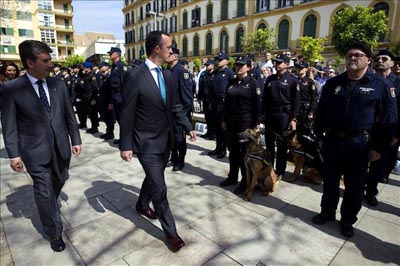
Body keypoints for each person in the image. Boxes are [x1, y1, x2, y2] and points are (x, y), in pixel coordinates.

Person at [0, 40, 82, 252]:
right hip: (34, 150)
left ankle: (47, 204)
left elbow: (69, 114)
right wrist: (14, 154)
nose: (50, 65)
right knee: (44, 191)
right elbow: (8, 124)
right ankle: (54, 232)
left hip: (61, 146)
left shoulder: (58, 84)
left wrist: (76, 139)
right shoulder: (11, 89)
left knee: (61, 178)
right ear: (29, 62)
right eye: (45, 61)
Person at [119, 31, 196, 252]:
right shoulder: (135, 75)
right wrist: (125, 145)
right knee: (160, 188)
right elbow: (127, 113)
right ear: (157, 49)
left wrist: (187, 126)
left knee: (154, 179)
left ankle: (141, 204)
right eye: (169, 46)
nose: (172, 50)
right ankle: (171, 233)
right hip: (145, 143)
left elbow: (176, 106)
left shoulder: (168, 75)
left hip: (166, 140)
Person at [312, 41, 397, 238]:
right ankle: (327, 212)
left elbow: (389, 118)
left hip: (360, 144)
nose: (353, 58)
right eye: (350, 55)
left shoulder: (381, 85)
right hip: (333, 141)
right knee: (330, 181)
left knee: (355, 185)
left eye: (358, 55)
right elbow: (321, 111)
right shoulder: (334, 83)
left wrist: (379, 148)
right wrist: (319, 137)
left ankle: (348, 220)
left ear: (368, 60)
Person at [220, 55, 262, 193]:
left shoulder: (253, 84)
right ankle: (232, 177)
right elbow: (226, 103)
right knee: (232, 151)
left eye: (242, 65)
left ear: (249, 67)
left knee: (244, 153)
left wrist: (256, 124)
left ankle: (245, 181)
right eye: (237, 65)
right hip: (231, 121)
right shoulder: (231, 83)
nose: (238, 67)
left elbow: (257, 106)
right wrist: (224, 119)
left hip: (246, 122)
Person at [365, 49, 400, 206]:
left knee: (378, 164)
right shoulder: (367, 80)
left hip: (387, 131)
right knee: (361, 162)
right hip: (366, 130)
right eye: (377, 58)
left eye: (384, 58)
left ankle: (371, 191)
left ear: (392, 63)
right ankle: (359, 187)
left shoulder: (398, 83)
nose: (380, 60)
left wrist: (396, 135)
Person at [263, 54, 300, 178]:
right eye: (276, 62)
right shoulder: (270, 79)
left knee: (282, 146)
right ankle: (269, 168)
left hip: (284, 116)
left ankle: (280, 171)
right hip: (270, 115)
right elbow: (265, 99)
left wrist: (293, 118)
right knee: (269, 144)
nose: (277, 64)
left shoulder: (293, 80)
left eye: (279, 62)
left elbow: (296, 101)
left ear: (286, 64)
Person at [165, 47, 194, 171]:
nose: (166, 55)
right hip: (169, 112)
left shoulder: (182, 72)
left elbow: (187, 96)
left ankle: (180, 160)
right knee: (171, 137)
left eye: (169, 53)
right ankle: (173, 157)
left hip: (180, 112)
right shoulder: (166, 71)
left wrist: (183, 115)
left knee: (179, 138)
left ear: (175, 56)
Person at [209, 52, 235, 159]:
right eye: (217, 59)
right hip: (215, 104)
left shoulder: (230, 74)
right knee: (216, 128)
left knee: (223, 128)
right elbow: (212, 89)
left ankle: (223, 150)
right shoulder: (215, 73)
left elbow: (232, 91)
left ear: (226, 61)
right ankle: (218, 147)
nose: (218, 61)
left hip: (224, 105)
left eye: (220, 59)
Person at [108, 46, 128, 144]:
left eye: (111, 53)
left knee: (123, 120)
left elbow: (125, 83)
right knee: (119, 119)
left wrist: (124, 99)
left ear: (117, 54)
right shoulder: (113, 67)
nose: (109, 55)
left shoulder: (121, 66)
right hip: (115, 96)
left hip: (121, 96)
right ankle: (122, 138)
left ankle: (126, 140)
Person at [198, 60, 216, 140]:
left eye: (208, 65)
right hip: (205, 99)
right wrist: (199, 97)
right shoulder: (204, 75)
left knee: (213, 118)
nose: (206, 66)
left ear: (212, 66)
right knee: (207, 117)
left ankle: (213, 133)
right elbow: (201, 86)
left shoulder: (215, 75)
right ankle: (209, 132)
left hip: (212, 100)